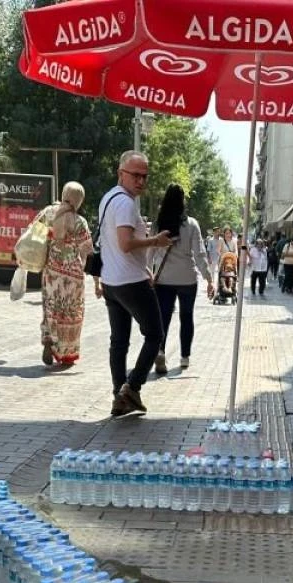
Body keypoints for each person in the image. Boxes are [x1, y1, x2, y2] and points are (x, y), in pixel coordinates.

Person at [99, 150, 172, 417]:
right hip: (130, 282)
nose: (141, 181)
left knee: (119, 341)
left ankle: (120, 396)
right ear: (121, 173)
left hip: (112, 282)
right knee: (155, 334)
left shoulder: (108, 198)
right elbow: (125, 244)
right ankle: (132, 386)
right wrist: (156, 241)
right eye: (135, 175)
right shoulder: (126, 204)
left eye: (144, 176)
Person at [152, 183, 213, 374]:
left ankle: (160, 351)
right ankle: (185, 357)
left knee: (163, 317)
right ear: (183, 201)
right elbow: (200, 254)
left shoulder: (157, 223)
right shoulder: (192, 224)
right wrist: (209, 278)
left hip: (164, 280)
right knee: (187, 317)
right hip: (187, 279)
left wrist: (146, 272)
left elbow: (150, 251)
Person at [36, 181, 93, 367]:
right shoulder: (79, 222)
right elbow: (87, 249)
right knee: (70, 313)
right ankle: (67, 352)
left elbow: (34, 235)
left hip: (51, 272)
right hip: (73, 276)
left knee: (50, 309)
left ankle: (48, 339)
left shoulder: (48, 213)